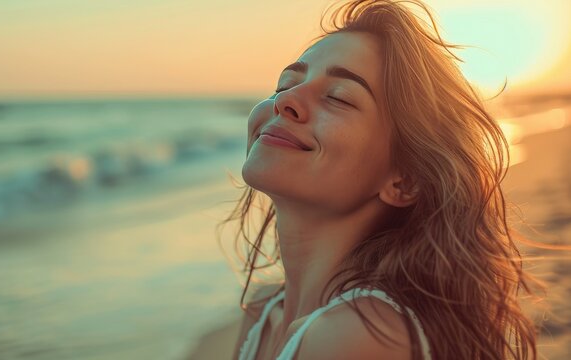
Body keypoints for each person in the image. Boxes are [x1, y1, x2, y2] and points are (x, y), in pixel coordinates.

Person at [219, 0, 545, 359]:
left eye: (338, 98)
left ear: (404, 181)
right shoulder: (263, 312)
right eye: (285, 84)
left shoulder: (358, 337)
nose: (286, 101)